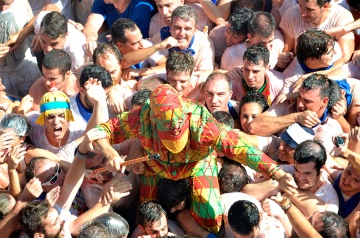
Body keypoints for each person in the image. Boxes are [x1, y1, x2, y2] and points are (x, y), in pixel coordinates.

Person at [91, 84, 297, 235]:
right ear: (154, 120)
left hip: (197, 165)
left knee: (211, 217)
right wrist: (110, 154)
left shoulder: (200, 124)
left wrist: (275, 171)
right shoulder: (141, 118)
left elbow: (239, 148)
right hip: (155, 167)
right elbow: (100, 132)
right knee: (147, 219)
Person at [249, 74, 343, 156]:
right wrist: (295, 117)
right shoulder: (288, 105)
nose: (300, 104)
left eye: (307, 101)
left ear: (324, 101)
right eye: (299, 97)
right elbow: (253, 127)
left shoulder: (330, 128)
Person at [279, 0, 354, 73]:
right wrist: (284, 59)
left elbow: (345, 58)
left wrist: (320, 74)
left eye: (309, 9)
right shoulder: (291, 15)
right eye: (300, 5)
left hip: (332, 70)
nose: (302, 13)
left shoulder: (342, 17)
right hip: (300, 68)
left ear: (325, 6)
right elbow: (286, 50)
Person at [151, 5, 215, 85]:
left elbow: (205, 72)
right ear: (170, 27)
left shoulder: (204, 41)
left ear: (195, 30)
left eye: (187, 29)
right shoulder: (159, 40)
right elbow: (151, 72)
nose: (181, 34)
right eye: (177, 28)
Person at [83, 0, 155, 56]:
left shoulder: (141, 9)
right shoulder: (102, 1)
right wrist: (91, 38)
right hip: (116, 47)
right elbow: (91, 24)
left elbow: (141, 45)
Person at [0, 0, 42, 98]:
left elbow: (33, 25)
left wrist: (22, 34)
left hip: (27, 68)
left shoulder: (21, 1)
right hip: (2, 79)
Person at [289, 140, 339, 215]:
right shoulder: (293, 169)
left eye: (307, 173)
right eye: (297, 170)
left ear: (321, 169)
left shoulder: (329, 203)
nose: (300, 177)